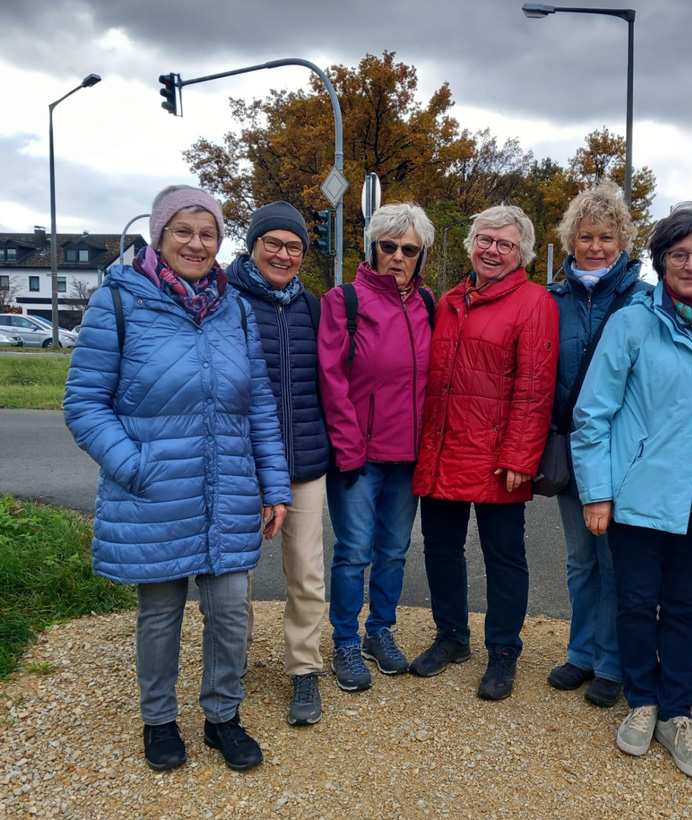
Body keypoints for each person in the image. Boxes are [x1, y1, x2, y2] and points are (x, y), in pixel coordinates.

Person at [64, 185, 291, 773]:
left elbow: (260, 404)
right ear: (160, 236)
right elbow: (85, 403)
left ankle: (223, 717)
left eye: (208, 233)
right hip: (155, 489)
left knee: (231, 610)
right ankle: (159, 720)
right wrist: (137, 466)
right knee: (161, 613)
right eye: (184, 231)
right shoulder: (119, 300)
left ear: (220, 243)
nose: (197, 243)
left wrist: (274, 485)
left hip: (230, 487)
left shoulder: (234, 308)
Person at [572, 202, 692, 778]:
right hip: (638, 496)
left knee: (683, 608)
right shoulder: (631, 322)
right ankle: (642, 701)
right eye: (679, 254)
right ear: (661, 261)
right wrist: (597, 493)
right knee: (633, 602)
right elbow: (592, 414)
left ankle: (677, 713)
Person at [410, 205, 559, 701]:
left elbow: (536, 387)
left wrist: (521, 455)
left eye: (505, 244)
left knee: (504, 556)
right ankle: (451, 635)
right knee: (441, 548)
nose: (492, 250)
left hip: (497, 455)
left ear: (523, 254)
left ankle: (502, 649)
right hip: (446, 448)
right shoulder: (450, 300)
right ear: (472, 243)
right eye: (485, 240)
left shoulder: (534, 302)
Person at [318, 203, 435, 692]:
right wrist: (348, 450)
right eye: (389, 246)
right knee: (353, 553)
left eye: (409, 249)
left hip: (407, 458)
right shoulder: (343, 301)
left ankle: (379, 632)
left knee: (393, 551)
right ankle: (345, 638)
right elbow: (331, 380)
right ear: (372, 248)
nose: (398, 257)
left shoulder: (429, 304)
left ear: (420, 256)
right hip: (360, 458)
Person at [545, 181, 652, 708]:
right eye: (585, 236)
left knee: (615, 560)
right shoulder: (553, 298)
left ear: (623, 241)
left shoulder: (644, 300)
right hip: (571, 446)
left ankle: (613, 661)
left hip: (623, 450)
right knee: (580, 557)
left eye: (606, 237)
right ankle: (581, 651)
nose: (595, 247)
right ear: (571, 240)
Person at [226, 201, 330, 726]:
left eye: (294, 247)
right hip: (238, 461)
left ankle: (304, 669)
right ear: (254, 245)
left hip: (305, 459)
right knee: (233, 572)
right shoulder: (221, 300)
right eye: (274, 243)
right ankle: (232, 660)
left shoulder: (313, 307)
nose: (283, 254)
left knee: (307, 572)